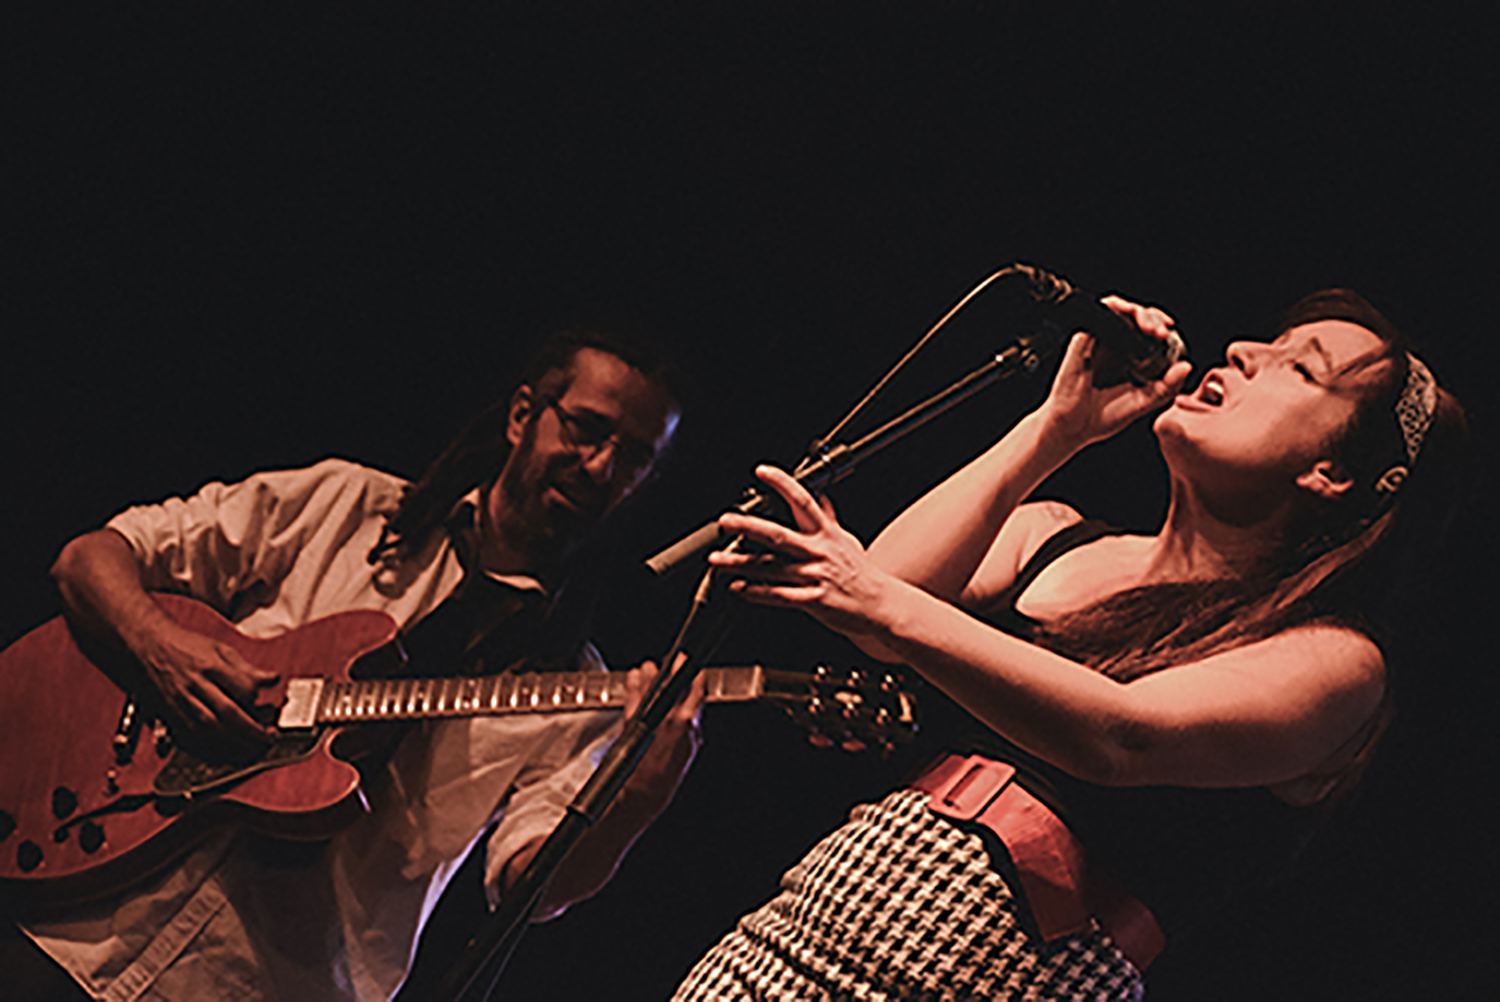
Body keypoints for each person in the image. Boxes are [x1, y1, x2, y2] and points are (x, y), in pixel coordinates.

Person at [671, 289, 1467, 1000]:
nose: (1242, 351)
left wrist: (877, 601)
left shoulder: (1337, 660)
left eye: (1300, 368)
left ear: (1333, 472)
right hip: (800, 931)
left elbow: (1122, 736)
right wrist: (1055, 429)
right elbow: (882, 599)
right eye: (1270, 340)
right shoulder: (1053, 537)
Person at [6, 327, 705, 1000]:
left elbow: (532, 888)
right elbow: (89, 560)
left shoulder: (574, 691)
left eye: (634, 456)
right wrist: (161, 648)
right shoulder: (345, 505)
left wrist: (639, 797)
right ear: (523, 415)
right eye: (586, 428)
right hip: (77, 915)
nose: (600, 466)